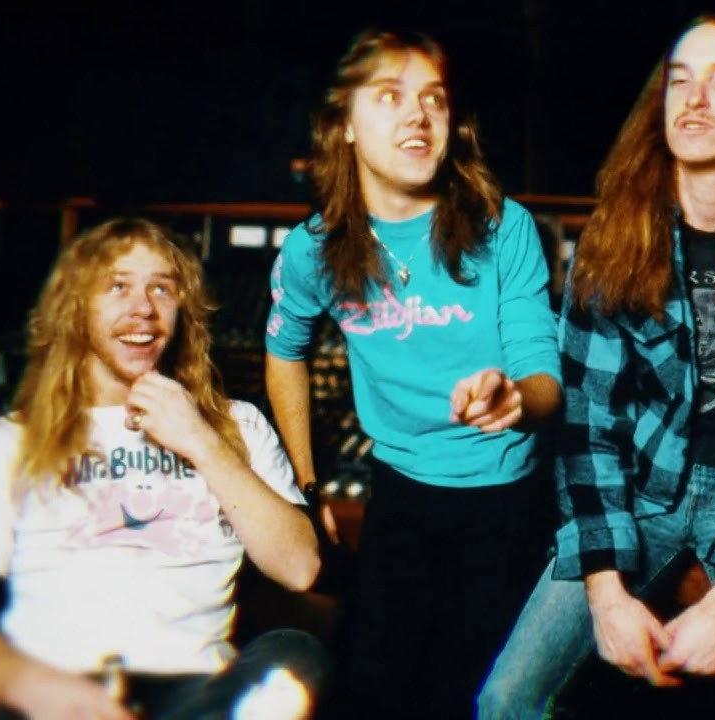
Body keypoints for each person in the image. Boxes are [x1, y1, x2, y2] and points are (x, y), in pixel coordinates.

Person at [479, 15, 715, 719]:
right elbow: (589, 427)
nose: (694, 100)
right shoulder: (616, 240)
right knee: (505, 699)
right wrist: (607, 595)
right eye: (680, 81)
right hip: (642, 487)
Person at [264, 29, 561, 719]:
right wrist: (307, 485)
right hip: (399, 497)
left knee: (476, 697)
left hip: (507, 504)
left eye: (434, 98)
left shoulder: (504, 226)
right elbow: (285, 353)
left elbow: (544, 374)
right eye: (389, 96)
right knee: (370, 694)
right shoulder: (313, 250)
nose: (417, 116)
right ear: (343, 124)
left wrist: (515, 397)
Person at [0, 218, 324, 720]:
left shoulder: (239, 426)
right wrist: (38, 690)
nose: (144, 308)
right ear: (75, 308)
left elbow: (299, 568)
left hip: (198, 692)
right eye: (118, 286)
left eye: (162, 289)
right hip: (55, 690)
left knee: (294, 653)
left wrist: (202, 442)